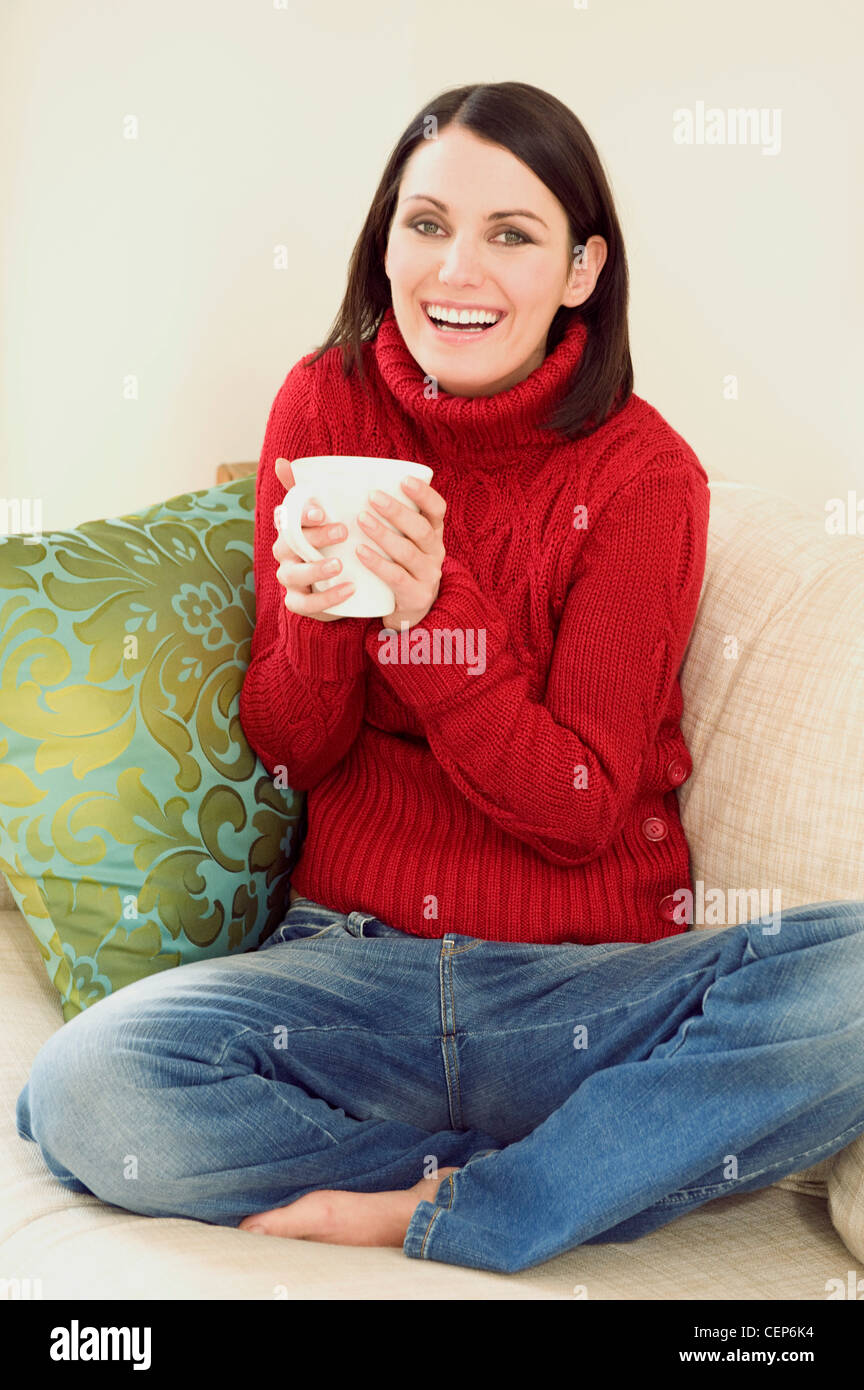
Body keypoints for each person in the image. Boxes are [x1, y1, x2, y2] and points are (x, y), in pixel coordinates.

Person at [16, 82, 864, 1276]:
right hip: (349, 972)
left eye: (511, 234)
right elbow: (292, 748)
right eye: (425, 225)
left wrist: (430, 618)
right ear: (387, 241)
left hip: (586, 988)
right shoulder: (324, 401)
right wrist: (320, 620)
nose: (454, 269)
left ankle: (489, 1198)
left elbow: (578, 806)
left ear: (581, 269)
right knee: (86, 1090)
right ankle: (544, 1169)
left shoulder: (644, 476)